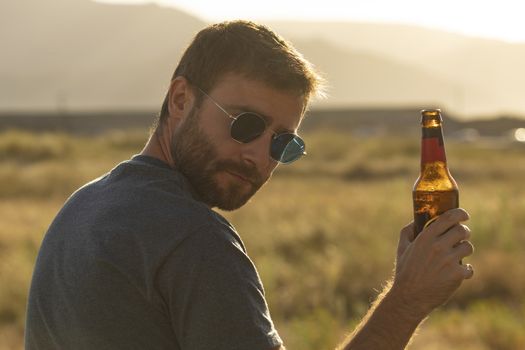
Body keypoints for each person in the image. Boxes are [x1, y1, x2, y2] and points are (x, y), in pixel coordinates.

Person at [25, 20, 474, 350]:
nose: (259, 156)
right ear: (181, 100)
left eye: (283, 143)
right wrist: (407, 300)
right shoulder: (193, 240)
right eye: (246, 124)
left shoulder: (82, 205)